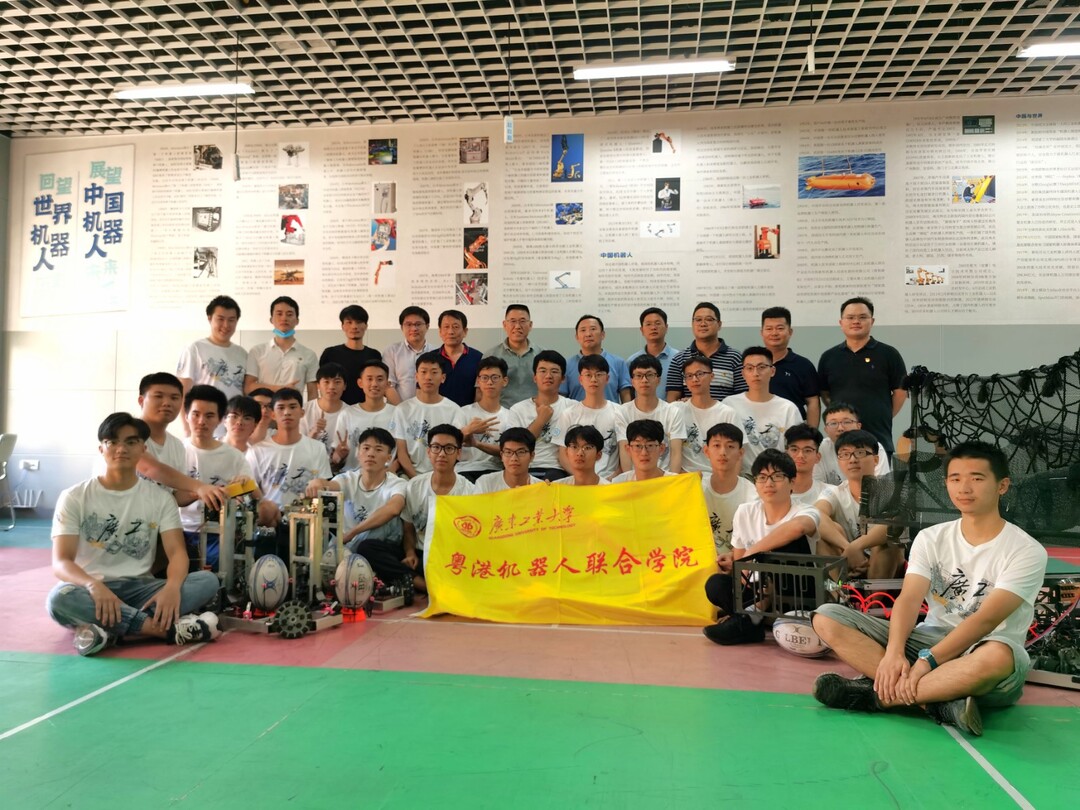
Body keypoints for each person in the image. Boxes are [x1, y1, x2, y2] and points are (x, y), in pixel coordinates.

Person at [811, 442, 1049, 737]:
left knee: (998, 657)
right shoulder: (931, 538)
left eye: (977, 478)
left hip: (983, 648)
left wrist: (928, 661)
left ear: (1002, 486)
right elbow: (910, 599)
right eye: (955, 478)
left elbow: (984, 620)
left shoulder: (1026, 550)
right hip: (926, 640)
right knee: (826, 617)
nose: (964, 488)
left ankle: (876, 697)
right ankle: (939, 701)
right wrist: (895, 652)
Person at [47, 413, 222, 656]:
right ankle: (163, 630)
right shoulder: (74, 496)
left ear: (143, 448)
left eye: (130, 442)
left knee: (207, 581)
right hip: (91, 588)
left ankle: (108, 628)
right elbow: (61, 562)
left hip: (142, 588)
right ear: (101, 449)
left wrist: (172, 587)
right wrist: (93, 585)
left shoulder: (160, 498)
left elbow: (177, 553)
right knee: (59, 599)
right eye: (112, 442)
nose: (121, 449)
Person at [702, 449, 821, 645]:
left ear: (792, 482)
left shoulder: (806, 510)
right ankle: (750, 621)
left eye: (777, 476)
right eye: (762, 477)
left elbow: (798, 527)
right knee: (716, 584)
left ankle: (749, 617)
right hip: (755, 587)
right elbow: (740, 564)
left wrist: (753, 552)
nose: (769, 483)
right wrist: (743, 569)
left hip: (795, 591)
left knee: (784, 544)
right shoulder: (745, 511)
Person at [304, 428, 411, 587]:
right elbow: (329, 485)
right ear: (358, 453)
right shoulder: (348, 479)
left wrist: (353, 532)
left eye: (378, 450)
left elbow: (393, 509)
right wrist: (317, 482)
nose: (371, 454)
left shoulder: (398, 483)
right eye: (366, 448)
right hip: (346, 544)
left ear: (389, 457)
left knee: (367, 541)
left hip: (379, 546)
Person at [180, 386, 257, 569]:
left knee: (217, 567)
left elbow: (250, 491)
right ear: (186, 416)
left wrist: (242, 486)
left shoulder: (234, 456)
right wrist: (200, 492)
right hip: (179, 529)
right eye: (196, 414)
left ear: (220, 419)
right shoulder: (176, 450)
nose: (201, 421)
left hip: (219, 531)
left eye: (209, 416)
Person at [817, 296, 907, 454]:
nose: (856, 321)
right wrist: (841, 416)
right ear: (841, 322)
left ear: (872, 321)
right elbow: (824, 393)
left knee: (878, 468)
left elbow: (900, 392)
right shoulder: (829, 357)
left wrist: (884, 414)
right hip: (841, 437)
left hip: (878, 434)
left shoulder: (888, 354)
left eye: (862, 317)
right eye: (850, 317)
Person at [247, 388, 332, 551]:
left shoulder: (317, 448)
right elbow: (250, 491)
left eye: (293, 407)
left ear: (302, 412)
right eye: (281, 408)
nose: (287, 412)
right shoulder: (257, 451)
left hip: (306, 521)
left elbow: (323, 487)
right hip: (269, 522)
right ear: (273, 414)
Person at [128, 372, 227, 511]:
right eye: (158, 396)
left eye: (174, 398)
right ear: (141, 400)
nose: (167, 403)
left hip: (157, 521)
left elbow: (176, 496)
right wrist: (199, 487)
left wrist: (207, 492)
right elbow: (150, 468)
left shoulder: (177, 445)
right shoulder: (127, 434)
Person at [814, 430, 904, 577]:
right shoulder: (834, 492)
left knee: (888, 541)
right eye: (845, 454)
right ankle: (839, 590)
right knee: (822, 535)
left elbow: (893, 523)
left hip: (887, 569)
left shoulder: (891, 490)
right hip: (847, 562)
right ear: (839, 462)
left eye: (860, 453)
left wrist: (857, 546)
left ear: (876, 460)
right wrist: (848, 548)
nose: (852, 459)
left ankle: (874, 593)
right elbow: (816, 515)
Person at [402, 424, 478, 592]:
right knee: (370, 548)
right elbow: (408, 527)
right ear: (428, 452)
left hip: (450, 557)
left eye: (449, 448)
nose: (442, 454)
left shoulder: (469, 491)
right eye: (436, 447)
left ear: (458, 453)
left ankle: (418, 583)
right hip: (420, 553)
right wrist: (409, 552)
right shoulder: (414, 485)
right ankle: (426, 585)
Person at [176, 295, 248, 436]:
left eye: (231, 320)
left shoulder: (242, 354)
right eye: (220, 319)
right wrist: (187, 429)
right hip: (202, 428)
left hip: (234, 431)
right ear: (209, 318)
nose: (226, 325)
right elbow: (182, 392)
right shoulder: (195, 349)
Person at [723, 346, 803, 474]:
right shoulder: (729, 404)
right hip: (741, 476)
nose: (756, 373)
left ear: (772, 371)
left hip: (777, 475)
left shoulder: (788, 408)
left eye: (761, 367)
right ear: (743, 373)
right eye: (750, 368)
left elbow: (796, 448)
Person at [389, 352, 469, 478]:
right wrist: (416, 479)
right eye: (423, 372)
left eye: (434, 372)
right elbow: (401, 452)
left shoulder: (454, 410)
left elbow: (453, 451)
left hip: (443, 476)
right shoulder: (402, 410)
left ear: (443, 377)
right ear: (416, 376)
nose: (428, 377)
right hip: (410, 475)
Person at [510, 350, 575, 482]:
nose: (548, 376)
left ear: (563, 378)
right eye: (543, 371)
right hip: (524, 468)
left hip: (558, 469)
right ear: (534, 377)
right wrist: (540, 420)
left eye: (554, 371)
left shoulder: (573, 407)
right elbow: (517, 445)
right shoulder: (518, 409)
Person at [554, 354, 622, 480]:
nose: (593, 379)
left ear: (607, 378)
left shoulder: (620, 412)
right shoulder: (568, 414)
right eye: (588, 375)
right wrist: (581, 477)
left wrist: (611, 479)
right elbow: (563, 455)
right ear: (580, 379)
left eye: (599, 374)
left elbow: (625, 453)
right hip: (578, 481)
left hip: (610, 482)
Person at [616, 355, 687, 473]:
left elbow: (676, 453)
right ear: (632, 381)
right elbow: (625, 451)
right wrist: (631, 479)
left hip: (665, 477)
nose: (644, 380)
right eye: (639, 375)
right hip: (635, 477)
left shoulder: (673, 412)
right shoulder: (622, 412)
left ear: (658, 380)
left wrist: (671, 480)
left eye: (649, 375)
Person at [665, 302, 747, 403]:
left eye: (709, 319)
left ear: (719, 325)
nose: (703, 324)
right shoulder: (679, 359)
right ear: (692, 324)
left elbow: (742, 398)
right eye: (698, 320)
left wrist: (714, 408)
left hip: (726, 413)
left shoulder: (736, 358)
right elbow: (672, 400)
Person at [244, 296, 319, 401]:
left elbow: (313, 393)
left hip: (293, 409)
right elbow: (248, 387)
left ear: (297, 320)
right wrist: (281, 389)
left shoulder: (309, 355)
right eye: (279, 314)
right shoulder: (257, 351)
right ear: (271, 319)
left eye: (289, 314)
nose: (284, 318)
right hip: (264, 409)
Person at [675, 355, 740, 474]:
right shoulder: (676, 410)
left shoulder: (727, 413)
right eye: (689, 376)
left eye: (700, 374)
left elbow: (737, 455)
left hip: (717, 477)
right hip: (686, 477)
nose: (695, 379)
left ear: (712, 376)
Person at [700, 423, 756, 554]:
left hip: (740, 561)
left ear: (740, 453)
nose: (723, 452)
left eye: (730, 446)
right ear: (706, 451)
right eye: (716, 446)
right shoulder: (697, 487)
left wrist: (732, 557)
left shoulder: (752, 493)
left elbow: (755, 537)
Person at [457, 357, 515, 483]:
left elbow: (509, 451)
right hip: (465, 469)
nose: (489, 382)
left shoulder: (510, 416)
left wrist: (477, 444)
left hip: (496, 470)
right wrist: (468, 430)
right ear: (478, 381)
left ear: (504, 381)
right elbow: (449, 443)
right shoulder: (463, 412)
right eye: (484, 378)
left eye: (495, 377)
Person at [760, 306, 820, 426]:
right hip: (758, 426)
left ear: (790, 332)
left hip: (794, 427)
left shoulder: (803, 365)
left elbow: (812, 401)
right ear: (762, 333)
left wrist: (812, 432)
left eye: (780, 328)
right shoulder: (752, 364)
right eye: (769, 329)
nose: (774, 333)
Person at [301, 363, 359, 473]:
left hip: (337, 473)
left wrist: (340, 455)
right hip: (306, 470)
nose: (331, 387)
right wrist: (313, 433)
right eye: (326, 382)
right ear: (318, 385)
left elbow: (342, 460)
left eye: (337, 382)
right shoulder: (304, 410)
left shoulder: (351, 414)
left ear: (345, 386)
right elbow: (297, 449)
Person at [560, 315, 632, 403]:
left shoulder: (618, 362)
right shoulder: (567, 365)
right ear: (577, 337)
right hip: (577, 412)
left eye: (593, 329)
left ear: (603, 335)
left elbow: (625, 394)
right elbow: (561, 397)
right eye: (583, 330)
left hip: (610, 411)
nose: (588, 334)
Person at [319, 304, 381, 406]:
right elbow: (323, 384)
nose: (354, 326)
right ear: (342, 326)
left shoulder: (374, 355)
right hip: (337, 409)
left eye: (359, 322)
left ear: (366, 326)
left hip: (365, 410)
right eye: (349, 322)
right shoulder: (330, 353)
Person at [815, 402, 890, 484]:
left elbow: (880, 485)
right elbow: (817, 484)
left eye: (846, 422)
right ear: (826, 430)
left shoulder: (872, 446)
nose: (840, 428)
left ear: (858, 426)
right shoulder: (820, 448)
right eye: (833, 423)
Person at [485, 304, 542, 407]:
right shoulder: (491, 355)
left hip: (535, 412)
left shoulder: (542, 355)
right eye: (513, 321)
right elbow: (481, 391)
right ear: (504, 324)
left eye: (522, 321)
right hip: (503, 413)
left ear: (530, 325)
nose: (517, 326)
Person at [346, 360, 397, 469]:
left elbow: (402, 451)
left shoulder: (397, 414)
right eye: (369, 379)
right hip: (352, 474)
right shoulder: (347, 414)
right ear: (360, 383)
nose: (374, 384)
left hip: (387, 475)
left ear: (387, 384)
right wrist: (339, 454)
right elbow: (337, 457)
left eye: (380, 379)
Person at [383, 306, 435, 404]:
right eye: (408, 324)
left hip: (429, 408)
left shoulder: (435, 352)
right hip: (397, 408)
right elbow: (388, 386)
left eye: (418, 324)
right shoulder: (391, 351)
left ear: (427, 326)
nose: (414, 328)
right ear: (402, 327)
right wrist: (402, 410)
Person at [433, 309, 483, 407]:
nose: (450, 331)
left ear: (465, 331)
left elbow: (480, 392)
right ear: (440, 331)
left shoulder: (478, 358)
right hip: (437, 413)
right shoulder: (430, 359)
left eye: (455, 327)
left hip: (468, 414)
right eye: (446, 327)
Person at [627, 307, 676, 399]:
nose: (653, 328)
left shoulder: (678, 358)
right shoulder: (632, 361)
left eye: (657, 323)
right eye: (648, 324)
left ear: (666, 327)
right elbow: (630, 394)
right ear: (642, 330)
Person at [783, 424, 837, 506]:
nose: (800, 455)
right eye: (794, 449)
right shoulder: (769, 492)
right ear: (786, 454)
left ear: (818, 457)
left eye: (807, 450)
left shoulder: (830, 493)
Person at [475, 428, 543, 492]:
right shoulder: (485, 483)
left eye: (520, 452)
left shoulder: (541, 488)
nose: (514, 458)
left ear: (532, 456)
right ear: (501, 456)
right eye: (508, 452)